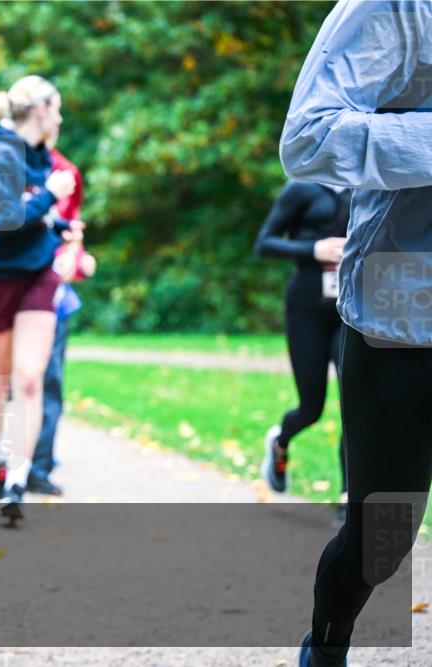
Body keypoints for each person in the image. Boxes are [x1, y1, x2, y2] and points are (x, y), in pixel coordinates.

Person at [279, 1, 431, 665]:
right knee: (382, 537)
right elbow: (307, 138)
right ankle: (326, 649)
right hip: (408, 311)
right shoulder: (396, 7)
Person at [0, 113, 95, 496]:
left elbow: (69, 222)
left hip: (47, 284)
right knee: (7, 376)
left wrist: (76, 258)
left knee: (42, 378)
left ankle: (34, 470)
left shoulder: (63, 168)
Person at [255, 181, 350, 516]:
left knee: (353, 407)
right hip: (306, 309)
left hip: (350, 311)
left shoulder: (369, 185)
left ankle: (347, 495)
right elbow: (264, 244)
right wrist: (314, 249)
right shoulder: (302, 189)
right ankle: (280, 442)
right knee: (311, 408)